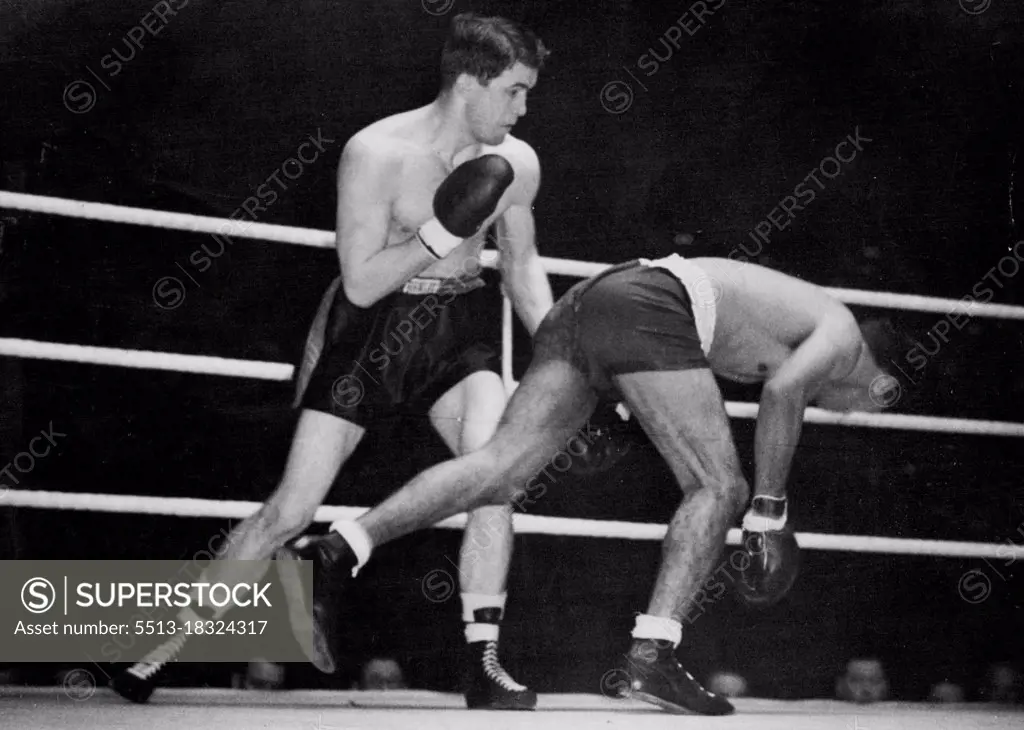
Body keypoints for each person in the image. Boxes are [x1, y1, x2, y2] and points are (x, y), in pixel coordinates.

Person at [111, 13, 552, 711]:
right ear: (470, 83)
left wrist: (562, 353)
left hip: (459, 330)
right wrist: (444, 231)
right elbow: (362, 282)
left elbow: (523, 269)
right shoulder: (376, 152)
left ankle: (483, 662)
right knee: (291, 508)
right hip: (373, 330)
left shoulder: (517, 162)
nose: (525, 109)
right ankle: (162, 648)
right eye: (516, 91)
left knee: (494, 480)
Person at [279, 253, 905, 715]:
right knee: (723, 488)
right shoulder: (844, 338)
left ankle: (335, 550)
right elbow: (784, 392)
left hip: (591, 303)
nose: (847, 412)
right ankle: (653, 656)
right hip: (648, 307)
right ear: (884, 388)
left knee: (498, 470)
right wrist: (770, 511)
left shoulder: (792, 319)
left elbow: (677, 369)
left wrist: (614, 408)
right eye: (866, 408)